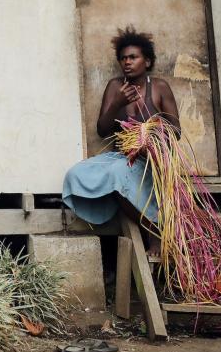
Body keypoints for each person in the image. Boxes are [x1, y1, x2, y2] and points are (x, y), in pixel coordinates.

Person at [62, 27, 181, 234]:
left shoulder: (160, 87)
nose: (127, 62)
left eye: (133, 57)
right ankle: (151, 228)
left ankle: (153, 232)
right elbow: (102, 130)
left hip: (150, 161)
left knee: (117, 174)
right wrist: (117, 103)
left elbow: (176, 131)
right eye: (123, 58)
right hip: (121, 157)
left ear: (147, 61)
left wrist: (149, 139)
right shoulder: (115, 86)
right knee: (75, 174)